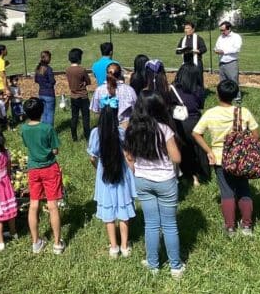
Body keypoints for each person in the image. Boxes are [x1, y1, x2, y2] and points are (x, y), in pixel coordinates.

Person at [124, 91, 184, 277]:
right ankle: (175, 266)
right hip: (165, 180)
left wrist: (136, 171)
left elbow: (129, 156)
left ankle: (153, 264)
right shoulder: (164, 130)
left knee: (150, 224)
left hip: (142, 180)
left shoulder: (131, 128)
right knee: (170, 225)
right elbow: (176, 157)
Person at [193, 80, 260, 237]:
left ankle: (230, 227)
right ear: (236, 94)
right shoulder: (243, 112)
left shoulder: (210, 113)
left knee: (227, 192)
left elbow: (196, 133)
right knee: (244, 189)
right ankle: (247, 226)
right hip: (241, 159)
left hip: (219, 158)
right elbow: (256, 135)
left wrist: (209, 151)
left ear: (217, 94)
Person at [88, 92, 136, 258]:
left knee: (109, 213)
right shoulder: (121, 132)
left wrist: (97, 168)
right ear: (117, 116)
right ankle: (124, 245)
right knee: (123, 210)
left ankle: (113, 247)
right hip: (121, 175)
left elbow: (92, 157)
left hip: (104, 175)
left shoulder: (95, 133)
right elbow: (129, 155)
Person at [20, 98, 64, 255]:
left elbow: (27, 145)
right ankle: (57, 243)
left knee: (33, 205)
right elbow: (55, 150)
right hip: (50, 168)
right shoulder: (47, 128)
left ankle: (36, 242)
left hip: (33, 169)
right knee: (52, 206)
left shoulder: (23, 129)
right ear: (42, 111)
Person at [172, 63, 209, 186]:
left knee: (183, 148)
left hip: (180, 122)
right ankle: (201, 174)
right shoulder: (198, 90)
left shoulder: (173, 89)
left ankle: (186, 174)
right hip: (196, 122)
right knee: (198, 149)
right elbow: (200, 105)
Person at [65, 48, 91, 142]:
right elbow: (88, 81)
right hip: (83, 96)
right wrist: (84, 83)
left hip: (73, 96)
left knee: (74, 117)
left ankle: (74, 137)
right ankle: (87, 136)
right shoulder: (82, 69)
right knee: (85, 117)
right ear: (79, 58)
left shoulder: (67, 70)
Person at [214, 21, 242, 86]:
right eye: (220, 30)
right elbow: (216, 46)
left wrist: (224, 51)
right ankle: (224, 95)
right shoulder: (220, 37)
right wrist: (215, 50)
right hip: (221, 62)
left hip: (231, 62)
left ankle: (236, 96)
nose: (222, 32)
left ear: (229, 29)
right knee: (223, 82)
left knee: (233, 81)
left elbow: (237, 48)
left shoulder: (236, 37)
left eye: (223, 30)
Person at [34, 50, 56, 126]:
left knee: (43, 113)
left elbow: (36, 80)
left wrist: (42, 83)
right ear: (48, 58)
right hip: (49, 93)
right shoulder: (49, 69)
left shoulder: (38, 68)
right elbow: (52, 81)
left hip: (41, 93)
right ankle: (49, 131)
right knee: (50, 113)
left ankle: (43, 129)